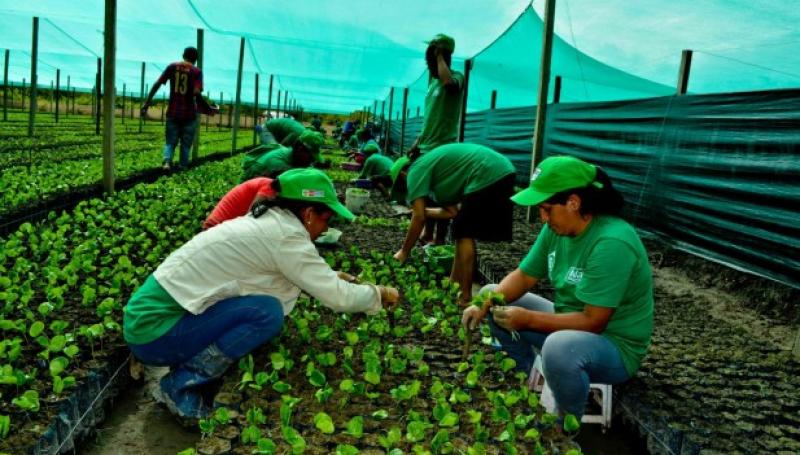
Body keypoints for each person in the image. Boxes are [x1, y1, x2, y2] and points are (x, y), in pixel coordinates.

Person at [123, 168, 400, 419]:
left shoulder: (268, 223)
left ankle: (184, 370)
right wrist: (378, 293)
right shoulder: (286, 237)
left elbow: (284, 277)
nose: (327, 227)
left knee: (262, 306)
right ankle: (180, 384)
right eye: (326, 218)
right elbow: (340, 298)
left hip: (146, 323)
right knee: (266, 313)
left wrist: (333, 277)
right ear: (307, 213)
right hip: (155, 332)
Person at [461, 155, 654, 421]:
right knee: (492, 295)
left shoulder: (612, 242)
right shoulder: (557, 228)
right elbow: (524, 275)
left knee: (558, 349)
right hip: (569, 320)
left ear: (573, 203)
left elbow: (594, 321)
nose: (542, 217)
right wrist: (482, 305)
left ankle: (565, 425)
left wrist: (527, 319)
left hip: (613, 344)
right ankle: (521, 384)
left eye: (547, 209)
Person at [392, 143, 516, 304]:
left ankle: (465, 296)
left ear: (403, 174)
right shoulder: (438, 173)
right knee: (460, 228)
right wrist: (423, 211)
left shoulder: (415, 170)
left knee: (464, 231)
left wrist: (404, 252)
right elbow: (451, 212)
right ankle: (453, 285)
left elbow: (419, 219)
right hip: (500, 169)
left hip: (488, 172)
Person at [141, 47, 205, 171]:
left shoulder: (172, 67)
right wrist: (205, 105)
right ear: (196, 59)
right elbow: (196, 92)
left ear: (183, 55)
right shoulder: (197, 72)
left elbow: (157, 83)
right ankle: (182, 166)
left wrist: (147, 102)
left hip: (173, 112)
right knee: (186, 144)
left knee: (170, 141)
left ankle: (166, 162)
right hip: (189, 114)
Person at [407, 33, 464, 158]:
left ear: (444, 58)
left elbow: (449, 84)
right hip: (424, 147)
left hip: (440, 148)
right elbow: (430, 117)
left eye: (431, 62)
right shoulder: (432, 84)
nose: (429, 66)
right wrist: (418, 141)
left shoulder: (457, 77)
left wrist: (438, 57)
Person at [241, 130, 324, 181]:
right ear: (300, 149)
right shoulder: (278, 165)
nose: (312, 160)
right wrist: (320, 193)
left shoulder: (293, 156)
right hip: (247, 201)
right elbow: (300, 191)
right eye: (310, 156)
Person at [202, 177, 276, 230]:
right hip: (215, 228)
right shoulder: (269, 188)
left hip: (220, 227)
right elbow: (251, 218)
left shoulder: (266, 183)